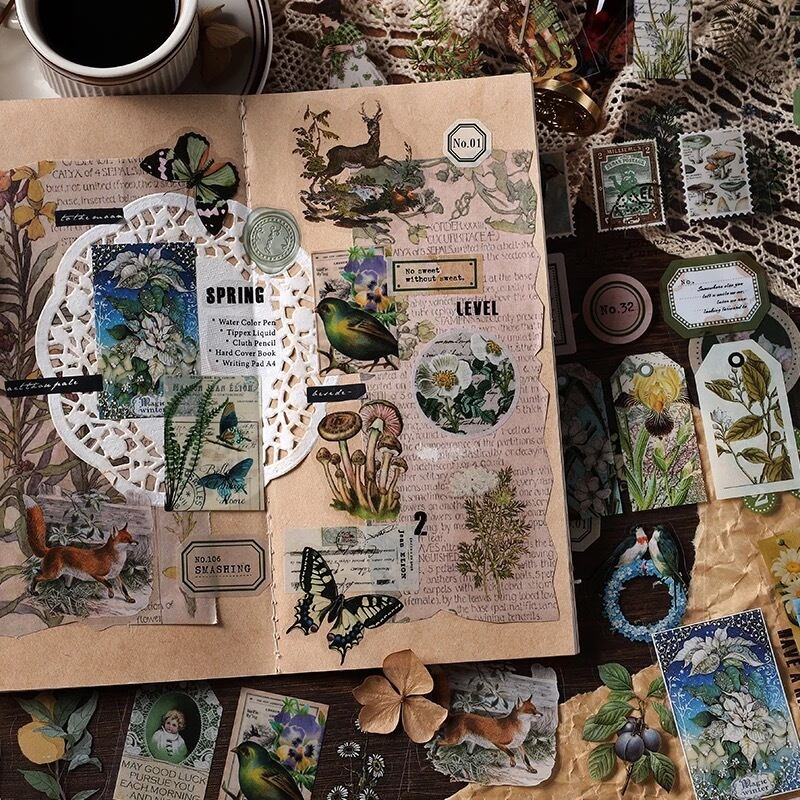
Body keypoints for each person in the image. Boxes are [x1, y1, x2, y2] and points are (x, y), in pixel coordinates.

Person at [317, 0, 386, 89]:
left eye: (323, 17)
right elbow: (332, 58)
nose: (321, 20)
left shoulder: (347, 28)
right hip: (339, 71)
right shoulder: (331, 35)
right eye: (319, 17)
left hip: (355, 66)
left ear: (332, 15)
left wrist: (347, 47)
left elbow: (363, 45)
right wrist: (325, 54)